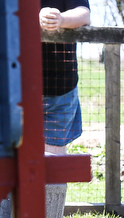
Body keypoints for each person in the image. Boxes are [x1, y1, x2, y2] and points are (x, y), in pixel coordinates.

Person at [40, 0, 91, 154]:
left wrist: (60, 19)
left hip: (59, 87)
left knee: (53, 161)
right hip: (16, 88)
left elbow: (84, 14)